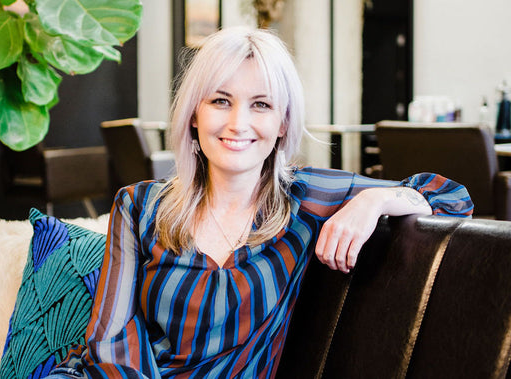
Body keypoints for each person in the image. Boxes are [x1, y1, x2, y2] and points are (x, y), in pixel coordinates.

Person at [48, 26, 472, 378]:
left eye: (261, 105)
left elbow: (454, 199)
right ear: (194, 115)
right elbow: (110, 343)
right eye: (220, 101)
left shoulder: (306, 200)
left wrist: (375, 200)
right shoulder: (139, 205)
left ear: (283, 122)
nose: (238, 124)